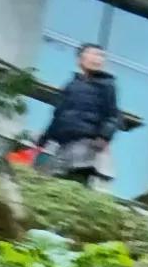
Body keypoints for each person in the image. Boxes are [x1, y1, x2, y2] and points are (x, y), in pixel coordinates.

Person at [31, 38, 136, 185]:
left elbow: (112, 115)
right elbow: (59, 115)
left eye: (101, 56)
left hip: (86, 144)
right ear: (80, 59)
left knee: (73, 181)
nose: (97, 59)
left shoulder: (107, 86)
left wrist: (104, 137)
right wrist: (46, 137)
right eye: (93, 54)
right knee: (49, 179)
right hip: (62, 145)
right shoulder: (71, 85)